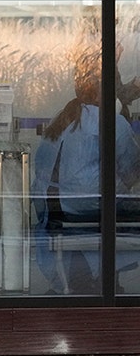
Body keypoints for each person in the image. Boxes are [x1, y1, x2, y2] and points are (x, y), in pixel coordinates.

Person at [31, 49, 140, 294]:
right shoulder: (111, 121)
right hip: (84, 205)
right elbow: (132, 169)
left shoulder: (63, 117)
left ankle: (89, 276)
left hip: (50, 205)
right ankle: (106, 277)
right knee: (126, 207)